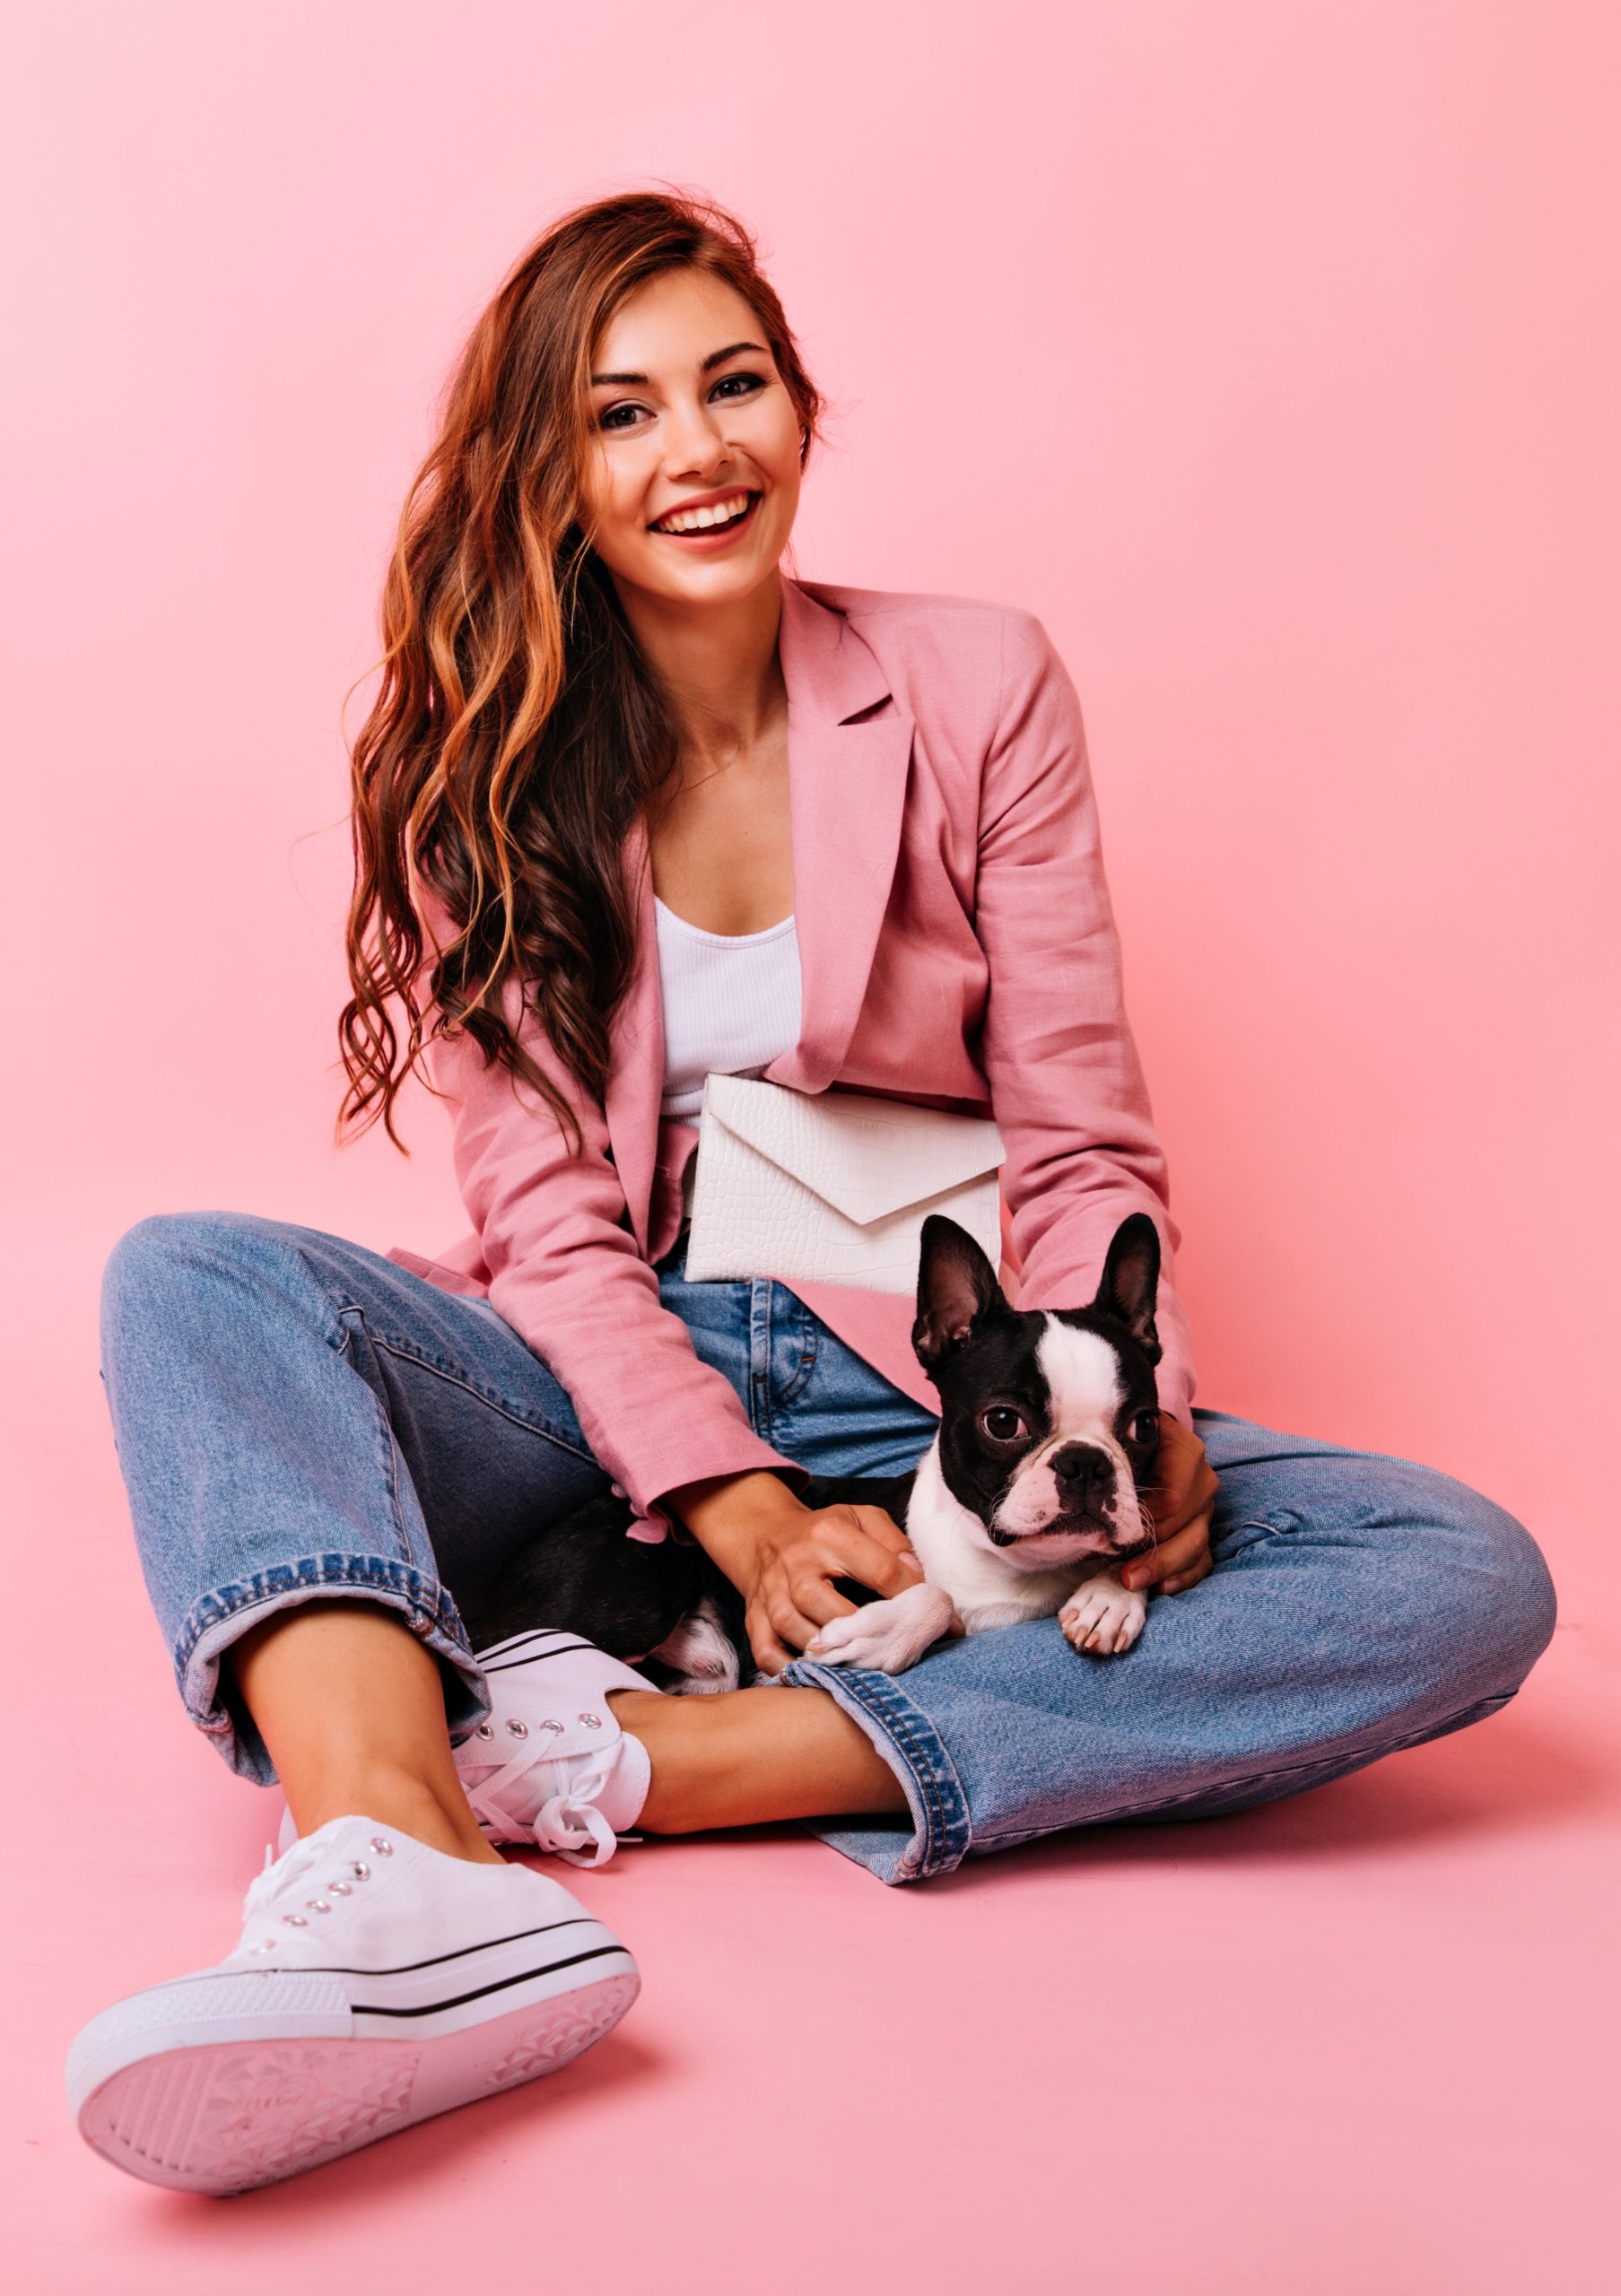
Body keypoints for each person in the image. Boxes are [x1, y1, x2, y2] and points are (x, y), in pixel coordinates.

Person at [68, 189, 1556, 2196]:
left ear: (799, 400)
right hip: (604, 1384)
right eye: (620, 414)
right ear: (547, 473)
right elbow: (548, 1223)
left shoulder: (974, 681)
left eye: (734, 384)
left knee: (1459, 1568)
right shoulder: (478, 762)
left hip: (947, 1393)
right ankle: (400, 1866)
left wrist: (1138, 1419)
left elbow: (1079, 1135)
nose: (696, 451)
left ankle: (649, 1758)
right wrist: (738, 1501)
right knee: (192, 1276)